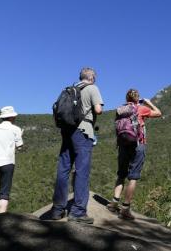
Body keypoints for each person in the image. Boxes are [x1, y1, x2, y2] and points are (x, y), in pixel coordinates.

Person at [49, 67, 104, 224]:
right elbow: (98, 110)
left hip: (67, 131)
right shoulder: (92, 88)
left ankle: (58, 209)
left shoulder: (70, 89)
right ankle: (78, 212)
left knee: (64, 169)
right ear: (92, 78)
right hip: (83, 132)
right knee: (82, 171)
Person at [107, 88, 162, 220]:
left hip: (123, 145)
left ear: (127, 98)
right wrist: (149, 103)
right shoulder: (141, 108)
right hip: (138, 144)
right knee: (133, 177)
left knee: (121, 174)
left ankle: (114, 203)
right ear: (137, 98)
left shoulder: (120, 109)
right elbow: (159, 113)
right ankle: (125, 209)